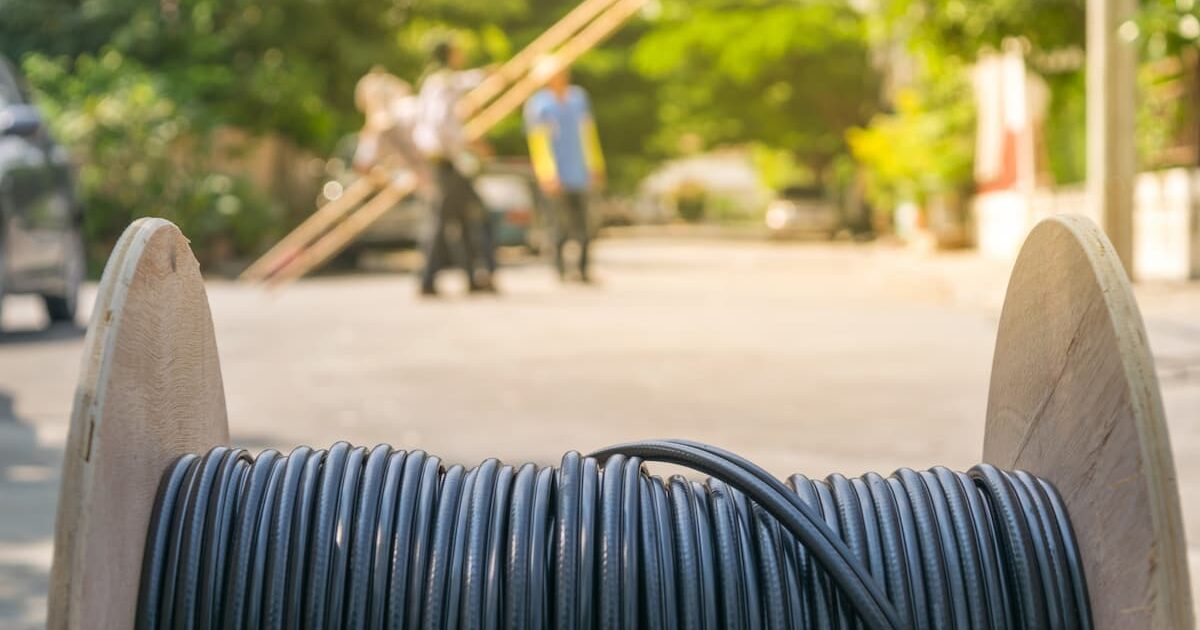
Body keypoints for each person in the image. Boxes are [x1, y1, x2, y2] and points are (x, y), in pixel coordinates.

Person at [413, 39, 495, 296]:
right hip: (446, 161)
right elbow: (443, 123)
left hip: (446, 160)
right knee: (458, 217)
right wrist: (465, 146)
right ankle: (430, 278)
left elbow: (465, 81)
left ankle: (471, 276)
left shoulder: (436, 82)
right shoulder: (442, 83)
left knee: (459, 217)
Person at [524, 58, 606, 283]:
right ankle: (560, 270)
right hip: (555, 174)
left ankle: (583, 269)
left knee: (584, 225)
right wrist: (547, 173)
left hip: (579, 171)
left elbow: (587, 133)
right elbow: (539, 142)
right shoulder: (539, 105)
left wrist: (595, 165)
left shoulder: (578, 99)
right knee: (557, 225)